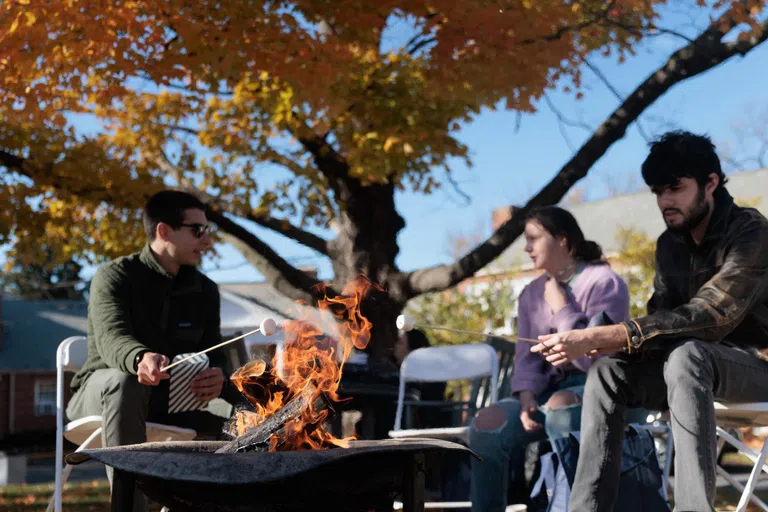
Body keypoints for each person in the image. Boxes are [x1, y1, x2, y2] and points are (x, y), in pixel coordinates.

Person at [532, 131, 768, 512]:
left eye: (675, 189)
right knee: (608, 371)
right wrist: (604, 342)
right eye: (658, 192)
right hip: (689, 371)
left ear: (710, 183)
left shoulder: (751, 233)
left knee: (688, 355)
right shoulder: (668, 245)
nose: (665, 202)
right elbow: (662, 324)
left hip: (757, 364)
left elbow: (712, 316)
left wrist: (614, 332)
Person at [67, 190, 240, 511]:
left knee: (245, 408)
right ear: (164, 231)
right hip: (102, 397)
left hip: (171, 405)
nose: (206, 241)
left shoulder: (205, 290)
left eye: (208, 231)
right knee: (126, 381)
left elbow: (213, 352)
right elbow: (111, 338)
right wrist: (138, 358)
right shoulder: (115, 276)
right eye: (197, 231)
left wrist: (218, 377)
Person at [469, 205, 635, 512]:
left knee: (561, 405)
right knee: (485, 425)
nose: (527, 247)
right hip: (546, 394)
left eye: (534, 238)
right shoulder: (530, 294)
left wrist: (561, 309)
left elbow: (599, 358)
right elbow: (526, 355)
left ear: (562, 239)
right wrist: (527, 395)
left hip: (603, 390)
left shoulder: (604, 282)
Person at [394, 328, 449, 428]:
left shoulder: (420, 378)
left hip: (418, 426)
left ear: (411, 350)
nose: (395, 346)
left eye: (400, 343)